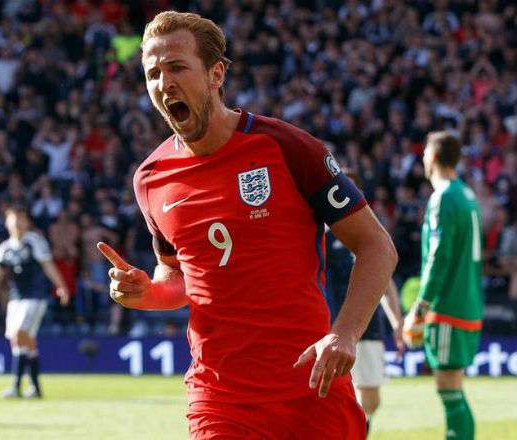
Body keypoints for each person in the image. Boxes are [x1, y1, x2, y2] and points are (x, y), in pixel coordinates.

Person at [97, 11, 397, 439]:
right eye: (153, 74)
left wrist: (345, 334)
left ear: (216, 73)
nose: (165, 84)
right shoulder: (150, 179)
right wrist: (148, 293)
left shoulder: (289, 149)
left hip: (312, 388)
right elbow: (179, 276)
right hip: (221, 399)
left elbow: (376, 246)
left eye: (177, 67)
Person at [404, 131, 483, 440]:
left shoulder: (443, 198)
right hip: (468, 302)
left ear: (433, 158)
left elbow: (439, 259)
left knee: (448, 387)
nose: (422, 158)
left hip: (447, 307)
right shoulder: (467, 194)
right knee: (454, 387)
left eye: (425, 153)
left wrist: (420, 308)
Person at [325, 171, 405, 437]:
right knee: (333, 398)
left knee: (371, 399)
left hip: (367, 325)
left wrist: (397, 321)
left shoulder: (371, 231)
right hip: (330, 328)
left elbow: (384, 278)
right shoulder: (319, 232)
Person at [0, 206, 70, 398]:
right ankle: (35, 387)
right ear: (7, 223)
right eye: (12, 218)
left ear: (27, 221)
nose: (16, 222)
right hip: (15, 300)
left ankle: (15, 386)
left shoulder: (34, 242)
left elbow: (48, 266)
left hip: (35, 298)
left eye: (20, 218)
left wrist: (61, 286)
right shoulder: (5, 248)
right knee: (26, 342)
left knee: (19, 335)